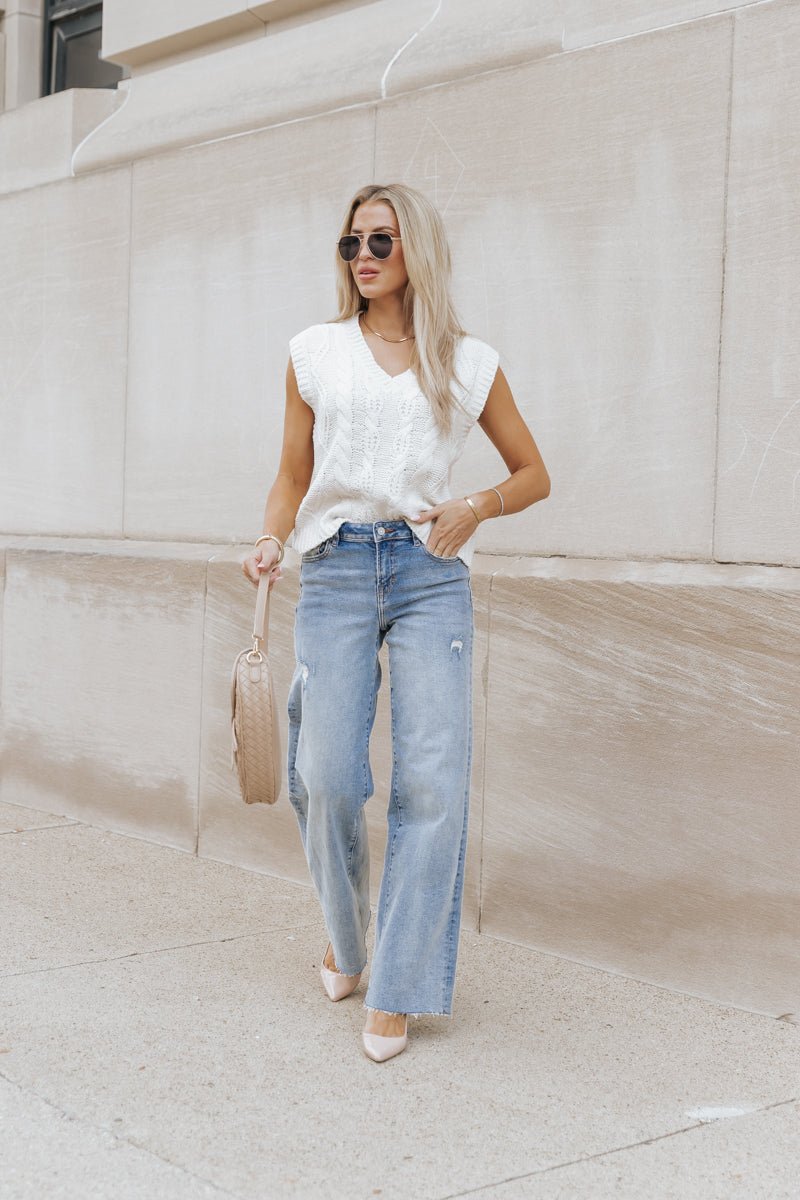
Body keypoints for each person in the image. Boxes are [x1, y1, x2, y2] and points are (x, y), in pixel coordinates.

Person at [242, 183, 551, 1062]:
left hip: (429, 576)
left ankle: (399, 988)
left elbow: (534, 472)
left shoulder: (466, 360)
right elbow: (292, 474)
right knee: (328, 774)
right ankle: (347, 938)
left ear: (416, 247)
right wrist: (270, 537)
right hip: (336, 568)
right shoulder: (314, 352)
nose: (364, 255)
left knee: (432, 782)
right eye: (350, 244)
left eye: (379, 239)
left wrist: (479, 505)